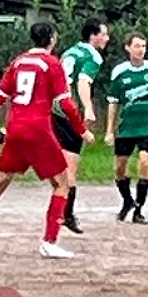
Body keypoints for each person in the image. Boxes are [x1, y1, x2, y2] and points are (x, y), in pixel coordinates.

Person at [0, 22, 94, 259]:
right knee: (62, 183)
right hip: (39, 131)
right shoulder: (52, 64)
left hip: (15, 130)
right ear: (52, 39)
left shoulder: (18, 62)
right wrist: (82, 130)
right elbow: (65, 103)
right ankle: (49, 242)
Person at [103, 32, 148, 224]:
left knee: (145, 162)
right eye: (137, 46)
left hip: (147, 125)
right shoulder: (120, 72)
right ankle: (128, 201)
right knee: (119, 167)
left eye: (143, 46)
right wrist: (109, 130)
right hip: (126, 126)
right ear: (128, 48)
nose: (141, 50)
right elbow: (113, 103)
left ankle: (139, 210)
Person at [51, 19, 111, 234]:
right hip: (69, 112)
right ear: (93, 36)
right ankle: (66, 214)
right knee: (70, 168)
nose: (107, 39)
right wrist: (88, 108)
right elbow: (83, 82)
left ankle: (62, 209)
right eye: (104, 34)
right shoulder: (92, 56)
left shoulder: (70, 51)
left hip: (53, 108)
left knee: (59, 165)